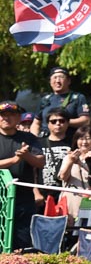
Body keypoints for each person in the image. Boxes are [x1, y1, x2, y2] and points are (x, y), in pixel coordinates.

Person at [0, 100, 46, 250]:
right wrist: (14, 160)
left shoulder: (29, 139)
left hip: (23, 199)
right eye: (2, 115)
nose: (6, 118)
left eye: (11, 115)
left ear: (19, 118)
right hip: (1, 197)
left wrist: (27, 156)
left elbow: (41, 162)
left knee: (22, 242)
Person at [31, 66, 89, 137]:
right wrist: (35, 138)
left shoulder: (77, 97)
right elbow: (36, 123)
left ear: (68, 81)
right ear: (50, 82)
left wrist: (63, 122)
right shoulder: (45, 100)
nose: (57, 81)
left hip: (68, 140)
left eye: (61, 77)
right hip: (46, 141)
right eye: (54, 78)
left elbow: (85, 120)